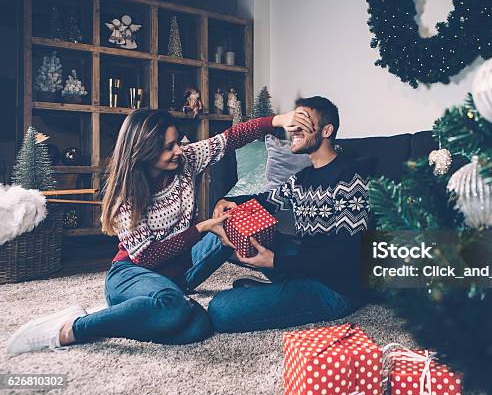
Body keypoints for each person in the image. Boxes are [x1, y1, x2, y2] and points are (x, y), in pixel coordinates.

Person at [6, 108, 314, 354]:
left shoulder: (186, 160)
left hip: (181, 272)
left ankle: (150, 308)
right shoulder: (125, 197)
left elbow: (231, 137)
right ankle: (71, 328)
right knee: (175, 307)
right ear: (144, 149)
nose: (179, 150)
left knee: (198, 327)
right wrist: (204, 227)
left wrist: (278, 120)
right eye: (169, 147)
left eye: (178, 142)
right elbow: (147, 258)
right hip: (132, 273)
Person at [200, 96, 371, 333]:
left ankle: (277, 292)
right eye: (293, 121)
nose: (293, 129)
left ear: (326, 130)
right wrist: (226, 201)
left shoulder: (350, 178)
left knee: (220, 310)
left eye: (303, 121)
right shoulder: (303, 177)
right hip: (306, 261)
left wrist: (276, 262)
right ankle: (184, 285)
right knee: (233, 222)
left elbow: (347, 256)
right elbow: (264, 201)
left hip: (336, 288)